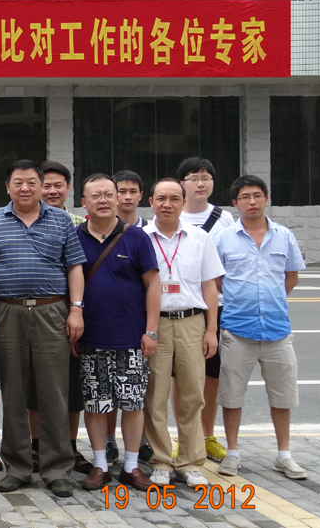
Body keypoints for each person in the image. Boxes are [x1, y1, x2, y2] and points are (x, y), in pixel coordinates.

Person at [0, 159, 86, 498]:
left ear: (40, 186)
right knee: (13, 390)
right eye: (18, 182)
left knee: (55, 391)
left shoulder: (61, 221)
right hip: (7, 312)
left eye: (31, 182)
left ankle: (57, 469)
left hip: (52, 311)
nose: (25, 188)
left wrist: (76, 309)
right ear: (7, 187)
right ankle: (19, 468)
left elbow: (74, 267)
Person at [214, 175, 307, 480]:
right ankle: (232, 451)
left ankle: (284, 454)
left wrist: (269, 300)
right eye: (245, 197)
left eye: (257, 195)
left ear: (266, 199)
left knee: (282, 396)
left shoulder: (284, 236)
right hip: (237, 329)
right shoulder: (223, 238)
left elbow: (291, 276)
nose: (251, 201)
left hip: (277, 330)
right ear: (235, 203)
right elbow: (215, 280)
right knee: (231, 396)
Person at [73, 174, 159, 493]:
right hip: (91, 338)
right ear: (84, 202)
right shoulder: (75, 237)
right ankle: (100, 465)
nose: (104, 200)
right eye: (96, 195)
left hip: (131, 337)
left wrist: (151, 331)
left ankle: (132, 466)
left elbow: (153, 284)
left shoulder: (136, 237)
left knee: (133, 403)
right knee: (96, 404)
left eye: (109, 194)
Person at [143, 178, 223, 489]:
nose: (167, 204)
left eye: (174, 198)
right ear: (151, 202)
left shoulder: (200, 238)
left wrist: (211, 330)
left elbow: (209, 286)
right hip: (156, 324)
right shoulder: (140, 238)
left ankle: (190, 462)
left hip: (192, 322)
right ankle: (161, 460)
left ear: (183, 202)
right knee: (155, 395)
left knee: (193, 395)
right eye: (161, 198)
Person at [33, 160, 90, 475]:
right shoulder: (26, 220)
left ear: (69, 188)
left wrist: (77, 309)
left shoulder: (81, 224)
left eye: (59, 185)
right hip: (40, 312)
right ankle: (36, 446)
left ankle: (70, 446)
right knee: (33, 385)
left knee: (71, 385)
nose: (52, 191)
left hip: (74, 314)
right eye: (46, 185)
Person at [177, 156, 234, 463]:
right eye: (194, 178)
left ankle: (207, 435)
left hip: (216, 306)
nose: (201, 183)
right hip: (182, 307)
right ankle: (183, 437)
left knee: (211, 375)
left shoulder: (225, 219)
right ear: (182, 184)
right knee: (179, 378)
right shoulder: (173, 215)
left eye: (206, 178)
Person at [105, 169, 151, 465]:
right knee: (106, 390)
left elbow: (153, 281)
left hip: (139, 323)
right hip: (105, 323)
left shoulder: (148, 231)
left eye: (133, 191)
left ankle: (142, 443)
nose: (126, 196)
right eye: (121, 191)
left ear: (141, 196)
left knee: (138, 390)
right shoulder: (95, 228)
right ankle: (108, 442)